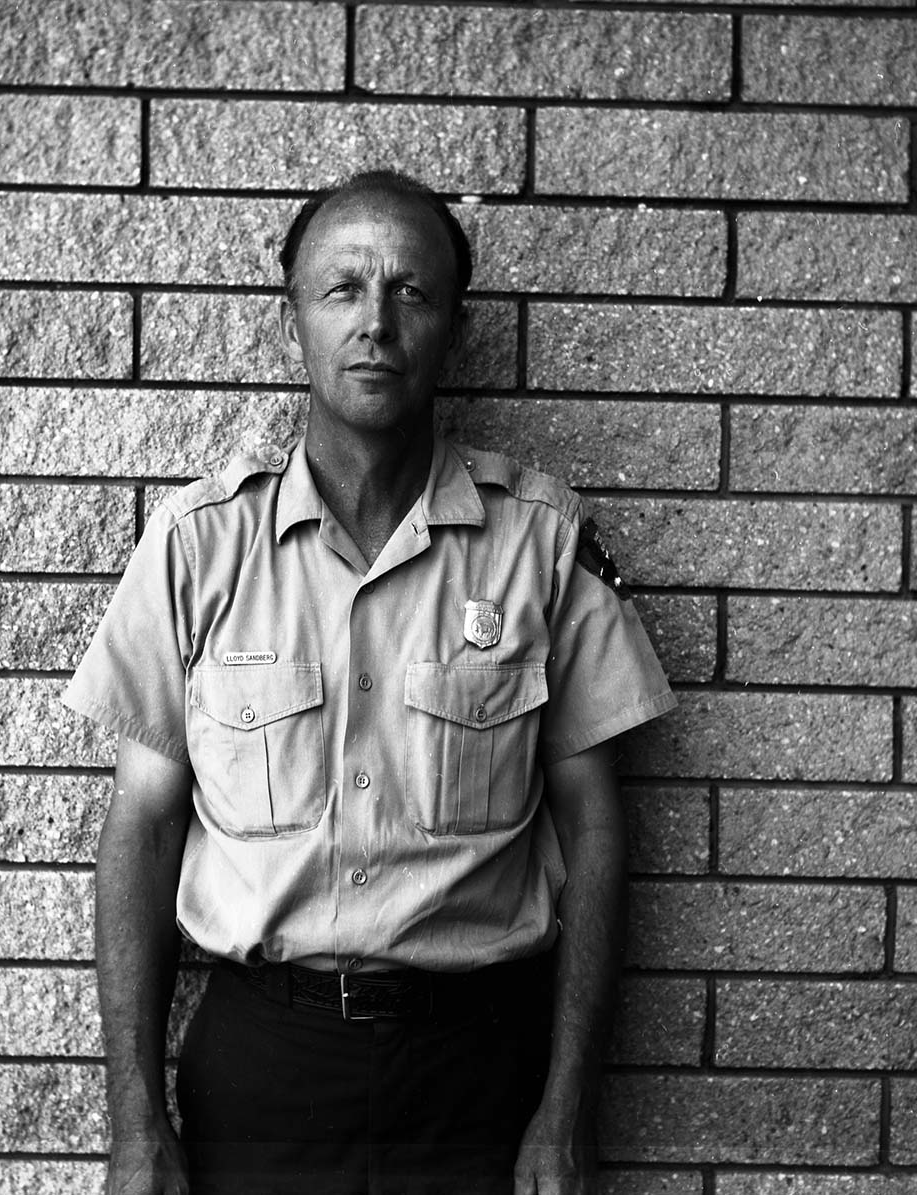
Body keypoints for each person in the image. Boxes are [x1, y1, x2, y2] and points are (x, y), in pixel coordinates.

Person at [63, 169, 676, 1195]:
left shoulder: (540, 545)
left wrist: (568, 1110)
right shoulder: (199, 549)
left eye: (411, 291)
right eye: (342, 288)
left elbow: (595, 827)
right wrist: (134, 1123)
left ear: (454, 328)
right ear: (292, 322)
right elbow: (144, 827)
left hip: (477, 1074)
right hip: (262, 1071)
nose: (376, 323)